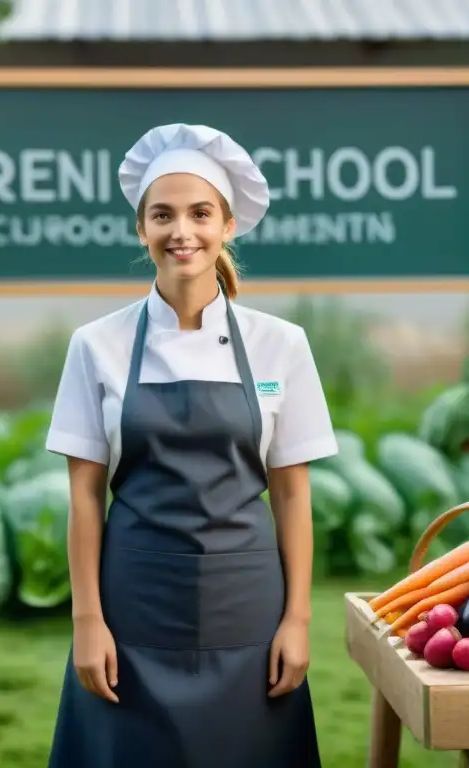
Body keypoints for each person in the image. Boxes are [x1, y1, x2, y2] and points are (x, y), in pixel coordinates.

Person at [45, 123, 338, 768]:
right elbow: (85, 497)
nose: (183, 231)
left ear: (228, 225)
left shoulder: (280, 345)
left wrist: (298, 620)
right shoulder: (96, 345)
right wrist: (87, 624)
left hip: (249, 611)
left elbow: (291, 494)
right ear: (140, 230)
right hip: (133, 608)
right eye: (163, 215)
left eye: (200, 213)